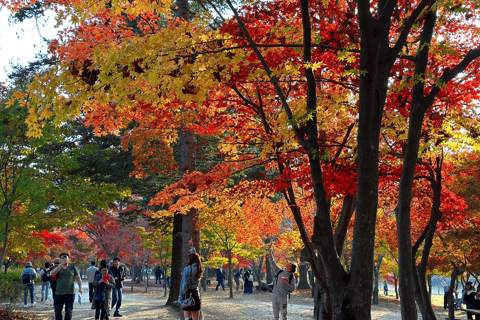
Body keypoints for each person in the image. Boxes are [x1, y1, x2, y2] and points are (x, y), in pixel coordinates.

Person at [268, 244, 298, 320]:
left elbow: (292, 289)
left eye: (289, 264)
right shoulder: (280, 271)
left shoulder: (292, 277)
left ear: (291, 268)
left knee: (284, 315)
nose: (287, 264)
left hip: (283, 298)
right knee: (275, 316)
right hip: (275, 296)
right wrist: (270, 251)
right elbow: (273, 262)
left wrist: (287, 284)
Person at [49, 253, 83, 320]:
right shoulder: (57, 268)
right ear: (60, 259)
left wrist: (80, 287)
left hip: (70, 293)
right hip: (59, 293)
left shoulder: (72, 268)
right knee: (58, 312)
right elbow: (52, 274)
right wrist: (60, 265)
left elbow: (78, 278)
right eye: (63, 258)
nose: (65, 259)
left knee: (69, 312)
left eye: (66, 258)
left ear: (68, 259)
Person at [178, 239, 203, 320]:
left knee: (187, 318)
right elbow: (197, 259)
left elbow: (183, 285)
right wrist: (192, 248)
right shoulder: (199, 269)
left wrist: (180, 299)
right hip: (196, 296)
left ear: (190, 260)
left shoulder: (186, 270)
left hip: (187, 296)